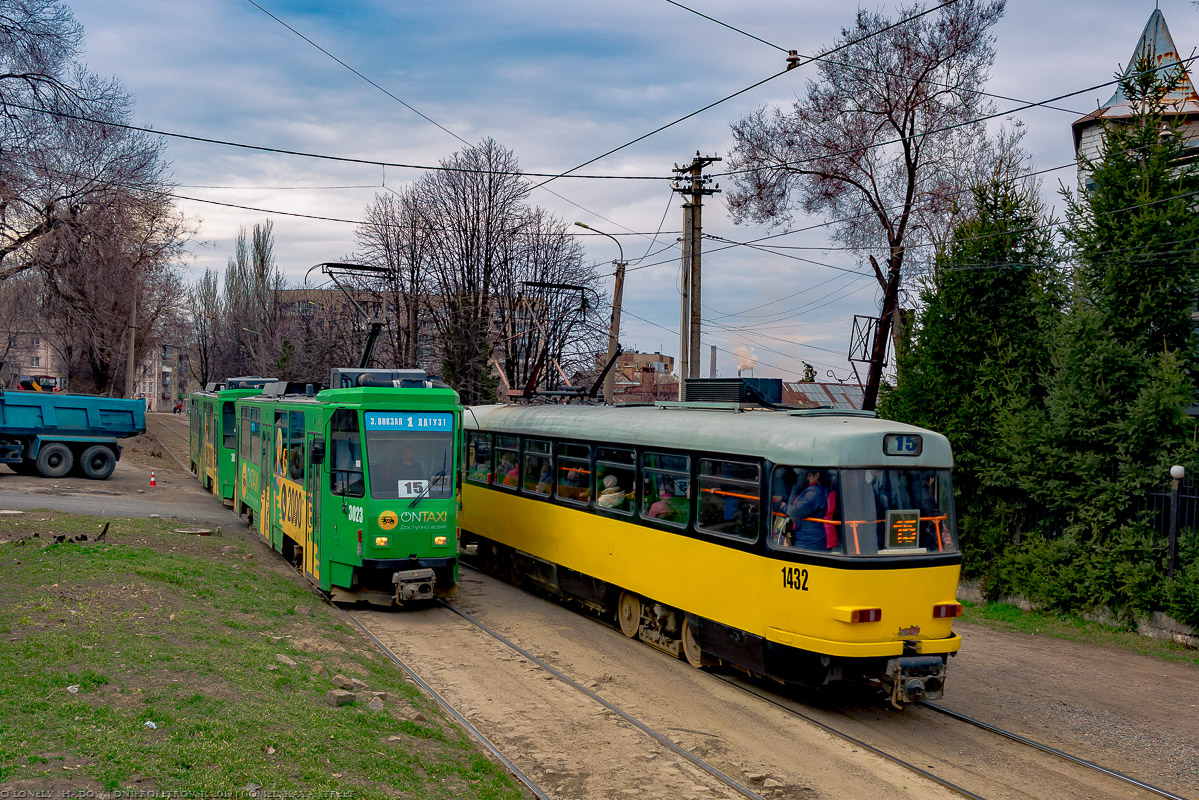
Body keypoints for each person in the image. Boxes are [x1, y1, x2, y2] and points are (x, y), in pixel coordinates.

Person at [786, 469, 830, 550]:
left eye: (809, 475)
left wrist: (783, 507)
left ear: (817, 475)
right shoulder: (821, 490)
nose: (807, 478)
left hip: (808, 538)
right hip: (813, 535)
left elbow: (797, 511)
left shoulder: (814, 492)